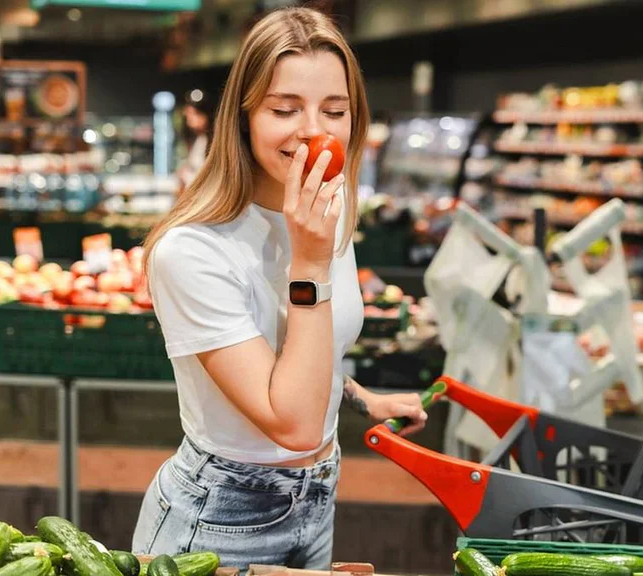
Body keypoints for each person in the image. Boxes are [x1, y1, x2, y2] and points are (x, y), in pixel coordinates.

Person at [131, 6, 428, 572]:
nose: (314, 131)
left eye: (334, 110)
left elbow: (295, 357)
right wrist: (309, 265)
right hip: (219, 519)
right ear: (243, 117)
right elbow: (290, 423)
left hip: (318, 498)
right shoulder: (191, 251)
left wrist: (363, 398)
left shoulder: (328, 212)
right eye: (284, 109)